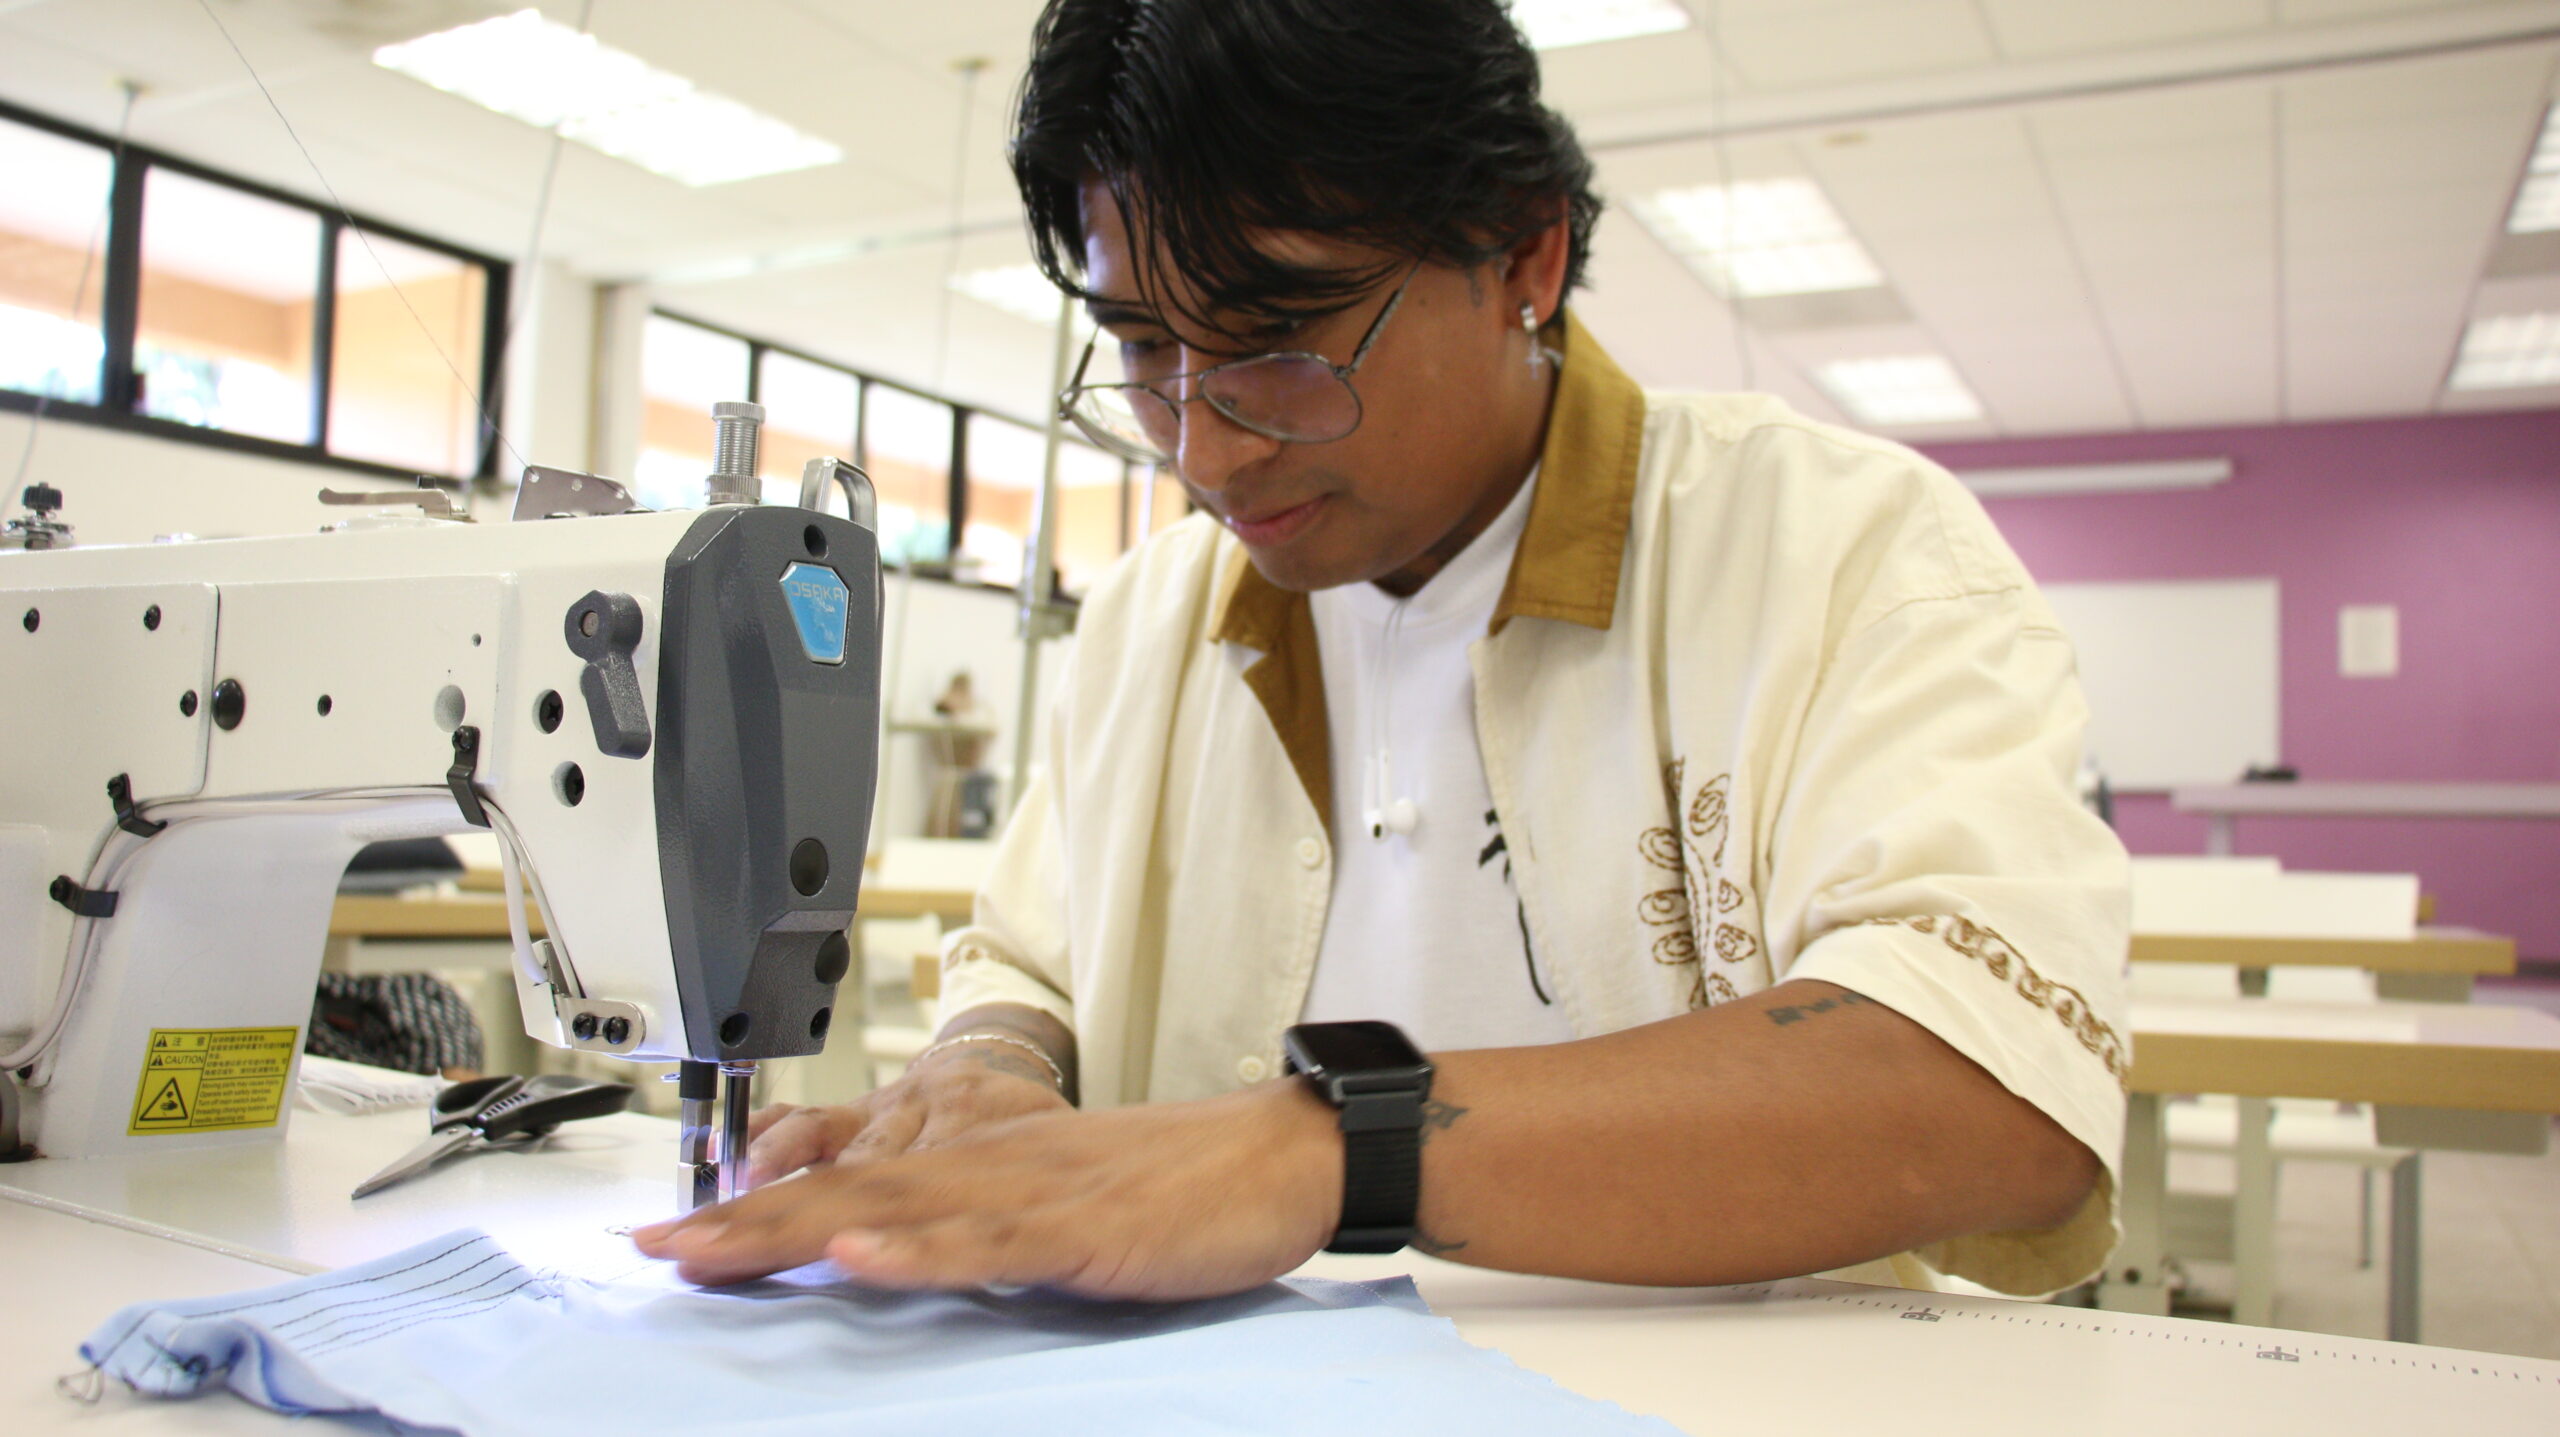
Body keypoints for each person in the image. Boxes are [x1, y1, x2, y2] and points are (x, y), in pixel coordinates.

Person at [635, 0, 2129, 1302]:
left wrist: (1325, 1147)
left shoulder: (1839, 552)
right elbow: (1032, 951)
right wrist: (995, 1062)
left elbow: (1990, 1089)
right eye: (1145, 348)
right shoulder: (1155, 615)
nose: (1207, 449)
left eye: (1279, 335)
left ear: (1523, 253)